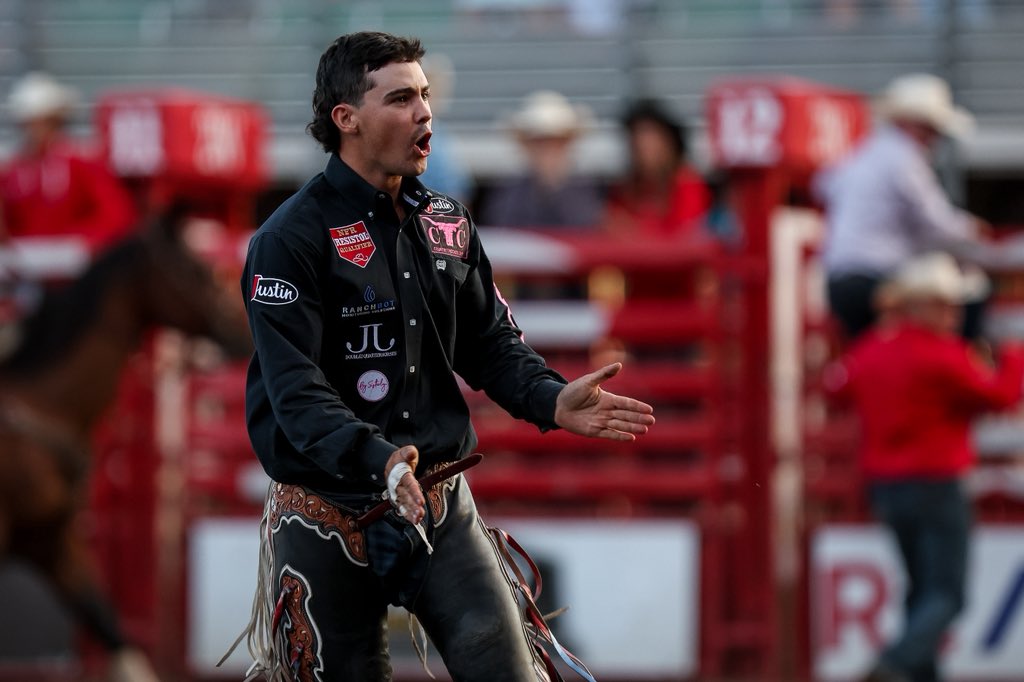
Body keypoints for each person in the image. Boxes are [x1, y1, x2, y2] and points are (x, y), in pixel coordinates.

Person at [236, 31, 655, 681]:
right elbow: (296, 393)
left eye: (425, 96)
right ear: (346, 119)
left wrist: (550, 397)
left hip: (437, 500)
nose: (424, 112)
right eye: (401, 98)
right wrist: (379, 461)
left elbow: (489, 342)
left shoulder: (447, 222)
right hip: (325, 513)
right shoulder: (288, 239)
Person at [824, 252, 1024, 682]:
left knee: (921, 590)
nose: (954, 314)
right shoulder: (944, 355)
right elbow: (1000, 396)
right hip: (937, 483)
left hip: (886, 486)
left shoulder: (871, 349)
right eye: (946, 304)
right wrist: (1013, 359)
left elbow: (837, 387)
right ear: (922, 306)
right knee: (947, 594)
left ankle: (916, 672)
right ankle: (894, 664)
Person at [816, 73, 990, 342]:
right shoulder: (905, 160)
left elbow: (824, 186)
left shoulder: (862, 153)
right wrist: (973, 229)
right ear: (915, 124)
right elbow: (936, 222)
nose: (934, 139)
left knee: (871, 350)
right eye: (931, 129)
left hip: (839, 281)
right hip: (877, 279)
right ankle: (961, 368)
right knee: (970, 294)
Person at [1, 72, 137, 254]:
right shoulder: (13, 172)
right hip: (26, 266)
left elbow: (116, 215)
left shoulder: (81, 164)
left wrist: (77, 241)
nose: (33, 130)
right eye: (27, 124)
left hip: (75, 268)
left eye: (43, 123)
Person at [479, 89, 603, 228]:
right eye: (540, 143)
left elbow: (588, 228)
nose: (547, 152)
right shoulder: (507, 194)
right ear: (527, 147)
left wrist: (554, 186)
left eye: (555, 143)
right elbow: (502, 229)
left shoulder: (585, 190)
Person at [603, 98, 711, 239]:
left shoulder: (688, 183)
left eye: (651, 145)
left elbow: (686, 237)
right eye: (637, 145)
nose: (643, 149)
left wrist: (634, 231)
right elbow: (611, 227)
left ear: (671, 144)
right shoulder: (627, 188)